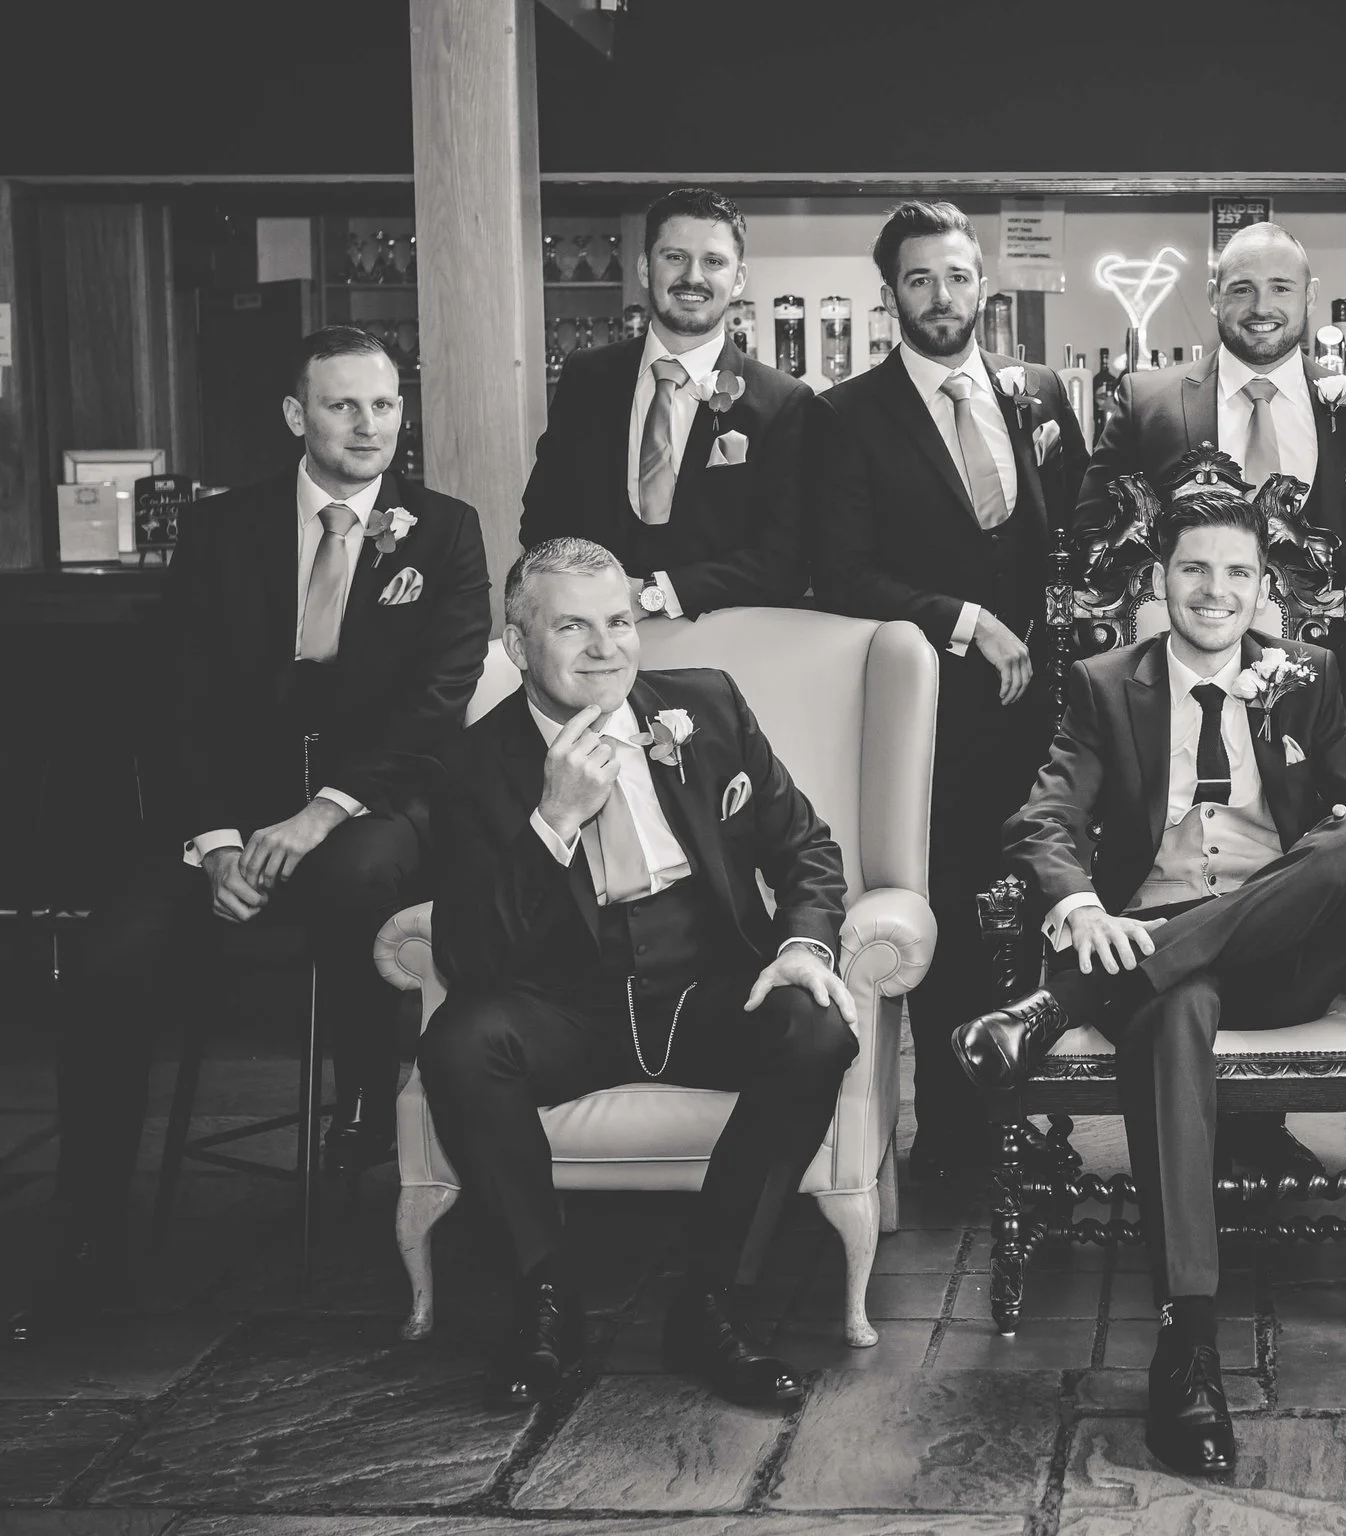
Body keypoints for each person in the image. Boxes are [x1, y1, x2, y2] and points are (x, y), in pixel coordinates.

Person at [10, 326, 490, 1345]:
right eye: (343, 406)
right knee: (108, 961)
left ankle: (365, 1103)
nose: (369, 426)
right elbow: (175, 699)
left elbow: (439, 701)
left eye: (385, 405)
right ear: (296, 416)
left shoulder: (443, 531)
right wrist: (219, 842)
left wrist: (322, 813)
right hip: (227, 810)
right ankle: (89, 1230)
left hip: (375, 803)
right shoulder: (226, 528)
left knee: (359, 878)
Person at [953, 471, 1346, 1476]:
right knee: (1173, 1007)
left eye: (1237, 572)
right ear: (1159, 579)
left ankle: (1056, 1001)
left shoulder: (1309, 674)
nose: (1215, 589)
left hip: (1280, 956)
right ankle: (1187, 1339)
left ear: (1263, 588)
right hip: (1156, 959)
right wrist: (1076, 903)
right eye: (1194, 568)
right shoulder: (1111, 681)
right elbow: (1045, 814)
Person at [419, 538, 857, 1408]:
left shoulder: (709, 707)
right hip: (564, 1004)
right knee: (459, 1043)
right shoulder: (470, 765)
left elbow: (805, 847)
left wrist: (803, 946)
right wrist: (554, 821)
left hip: (708, 987)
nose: (604, 646)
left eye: (618, 621)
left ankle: (711, 1300)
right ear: (518, 647)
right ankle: (544, 1300)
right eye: (571, 626)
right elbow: (467, 958)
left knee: (816, 1029)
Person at [812, 201, 1088, 1185]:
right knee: (953, 916)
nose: (942, 297)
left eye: (958, 277)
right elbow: (838, 576)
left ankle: (1037, 1125)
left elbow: (1076, 535)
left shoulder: (1039, 394)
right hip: (934, 719)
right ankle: (958, 1144)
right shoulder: (846, 417)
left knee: (1044, 907)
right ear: (891, 295)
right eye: (919, 280)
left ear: (985, 285)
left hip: (1044, 717)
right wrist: (963, 619)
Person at [1072, 220, 1346, 727]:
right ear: (1214, 297)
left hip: (1330, 705)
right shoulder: (1145, 403)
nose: (1262, 307)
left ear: (1310, 296)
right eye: (1242, 289)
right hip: (1174, 702)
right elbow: (1092, 548)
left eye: (1280, 287)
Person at [520, 186, 816, 617]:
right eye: (674, 256)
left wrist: (654, 595)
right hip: (593, 634)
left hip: (719, 646)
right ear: (644, 267)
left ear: (738, 278)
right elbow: (543, 520)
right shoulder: (586, 376)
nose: (692, 277)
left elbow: (787, 561)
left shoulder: (783, 402)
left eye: (713, 261)